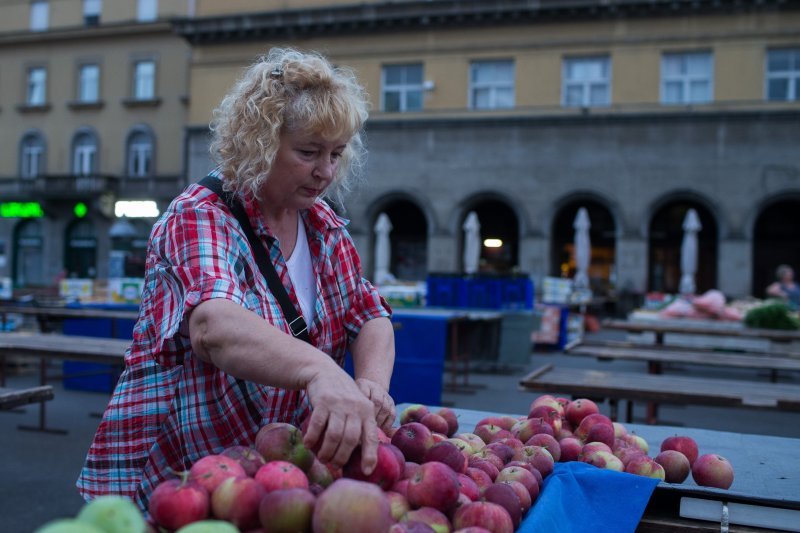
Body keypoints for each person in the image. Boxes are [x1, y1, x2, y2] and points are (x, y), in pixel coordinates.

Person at [77, 48, 396, 509]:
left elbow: (368, 312)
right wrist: (321, 370)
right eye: (308, 152)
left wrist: (370, 385)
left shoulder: (321, 223)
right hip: (177, 477)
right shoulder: (199, 216)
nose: (326, 171)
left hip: (268, 479)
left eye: (336, 154)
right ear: (260, 141)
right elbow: (214, 328)